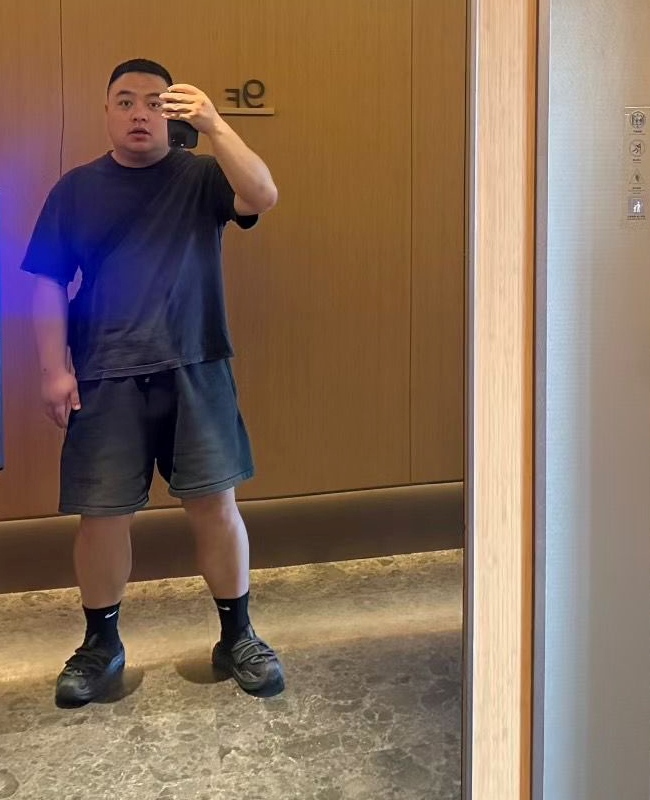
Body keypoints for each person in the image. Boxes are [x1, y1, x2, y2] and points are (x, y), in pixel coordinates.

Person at [21, 58, 284, 706]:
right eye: (125, 101)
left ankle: (238, 636)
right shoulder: (76, 190)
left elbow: (262, 195)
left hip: (197, 363)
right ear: (107, 112)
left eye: (155, 103)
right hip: (105, 372)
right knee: (102, 516)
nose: (140, 113)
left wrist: (216, 124)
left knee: (216, 507)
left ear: (174, 114)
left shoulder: (202, 176)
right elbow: (47, 281)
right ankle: (100, 645)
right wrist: (54, 370)